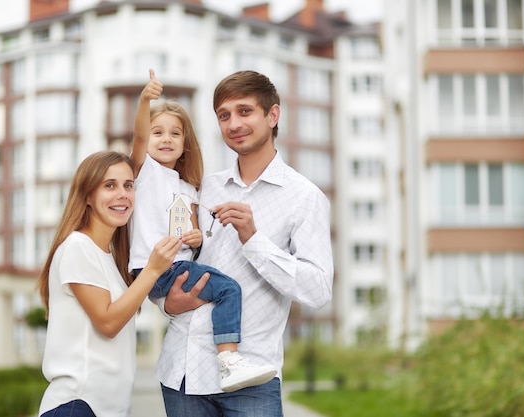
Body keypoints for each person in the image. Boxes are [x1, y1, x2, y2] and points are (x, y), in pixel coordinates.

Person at [156, 70, 334, 416]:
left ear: (273, 115)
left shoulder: (304, 198)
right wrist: (167, 303)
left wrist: (253, 239)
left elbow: (319, 290)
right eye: (224, 115)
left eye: (244, 111)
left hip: (252, 381)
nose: (234, 123)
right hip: (182, 373)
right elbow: (170, 258)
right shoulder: (203, 188)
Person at [128, 69, 277, 392]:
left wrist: (195, 237)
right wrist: (145, 100)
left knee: (219, 291)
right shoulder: (145, 174)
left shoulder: (190, 188)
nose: (165, 139)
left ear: (186, 143)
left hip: (179, 266)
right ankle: (229, 361)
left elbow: (192, 234)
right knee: (229, 290)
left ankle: (222, 359)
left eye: (174, 134)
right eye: (158, 132)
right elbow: (138, 137)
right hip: (157, 268)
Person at [36, 151, 183, 417]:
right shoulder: (78, 247)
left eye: (128, 185)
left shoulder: (113, 260)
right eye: (109, 185)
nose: (122, 194)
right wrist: (152, 269)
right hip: (77, 405)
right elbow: (107, 323)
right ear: (88, 196)